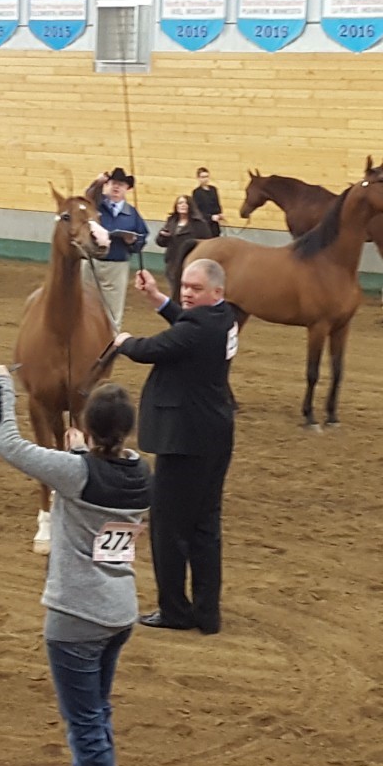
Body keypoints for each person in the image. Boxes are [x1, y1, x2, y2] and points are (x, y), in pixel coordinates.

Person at [0, 364, 150, 766]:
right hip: (119, 613)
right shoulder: (141, 474)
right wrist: (82, 454)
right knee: (97, 715)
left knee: (84, 726)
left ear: (84, 427)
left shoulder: (74, 474)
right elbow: (101, 474)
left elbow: (7, 443)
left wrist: (0, 382)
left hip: (76, 618)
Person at [113, 260, 238, 635]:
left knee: (167, 527)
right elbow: (185, 325)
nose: (186, 293)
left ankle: (174, 610)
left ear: (215, 292)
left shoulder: (197, 328)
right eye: (184, 285)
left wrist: (123, 342)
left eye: (194, 288)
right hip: (214, 433)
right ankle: (206, 612)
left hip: (184, 439)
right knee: (205, 525)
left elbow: (152, 348)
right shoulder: (223, 317)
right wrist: (157, 298)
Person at [82, 167, 148, 333]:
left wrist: (132, 241)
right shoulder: (96, 204)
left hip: (117, 266)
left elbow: (142, 237)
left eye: (121, 184)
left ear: (127, 188)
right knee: (84, 303)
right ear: (107, 185)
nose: (116, 187)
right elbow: (86, 197)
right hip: (91, 262)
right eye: (113, 183)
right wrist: (98, 182)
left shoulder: (132, 214)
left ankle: (110, 344)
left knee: (113, 311)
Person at [154, 195, 215, 294]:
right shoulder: (171, 221)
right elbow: (160, 242)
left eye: (185, 203)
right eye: (180, 203)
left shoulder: (199, 224)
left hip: (191, 264)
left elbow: (207, 243)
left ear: (190, 206)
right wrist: (163, 236)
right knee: (174, 292)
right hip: (172, 265)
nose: (183, 205)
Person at [189, 167, 224, 237]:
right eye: (203, 177)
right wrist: (210, 217)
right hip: (204, 224)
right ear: (198, 178)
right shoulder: (196, 192)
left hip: (215, 224)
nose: (205, 179)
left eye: (207, 176)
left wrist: (220, 214)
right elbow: (197, 211)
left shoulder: (213, 189)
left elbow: (217, 204)